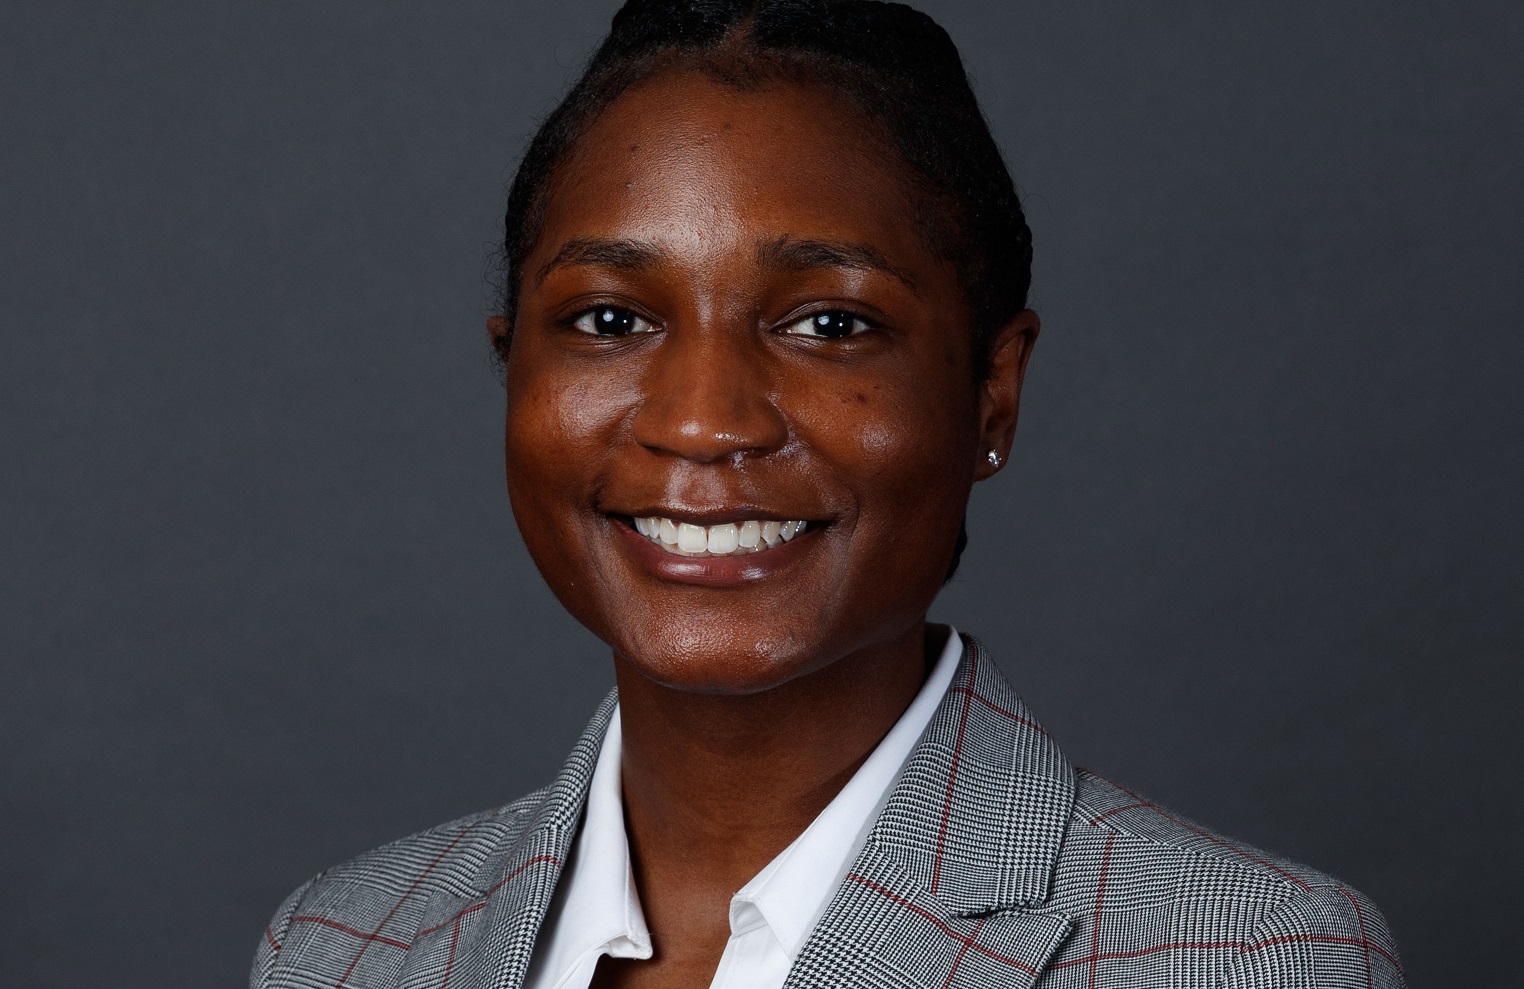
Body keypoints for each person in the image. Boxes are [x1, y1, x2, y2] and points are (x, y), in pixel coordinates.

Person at [250, 2, 1404, 987]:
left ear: (992, 394)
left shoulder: (1242, 956)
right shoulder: (340, 948)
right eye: (609, 318)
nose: (704, 421)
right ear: (513, 366)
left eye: (831, 323)